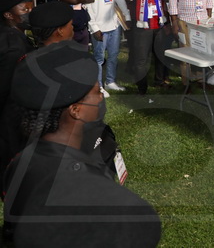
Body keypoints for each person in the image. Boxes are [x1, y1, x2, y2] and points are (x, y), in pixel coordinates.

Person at [2, 41, 161, 247]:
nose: (102, 96)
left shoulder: (20, 160)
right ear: (75, 110)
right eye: (96, 92)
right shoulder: (83, 185)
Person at [80, 0, 130, 94]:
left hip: (114, 23)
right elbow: (87, 7)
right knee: (99, 57)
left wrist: (126, 15)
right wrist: (94, 27)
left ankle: (110, 81)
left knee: (114, 55)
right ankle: (98, 86)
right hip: (99, 25)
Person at [123, 0, 170, 95]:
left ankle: (159, 81)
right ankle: (142, 88)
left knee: (160, 55)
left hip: (158, 25)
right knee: (141, 59)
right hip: (142, 27)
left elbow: (163, 0)